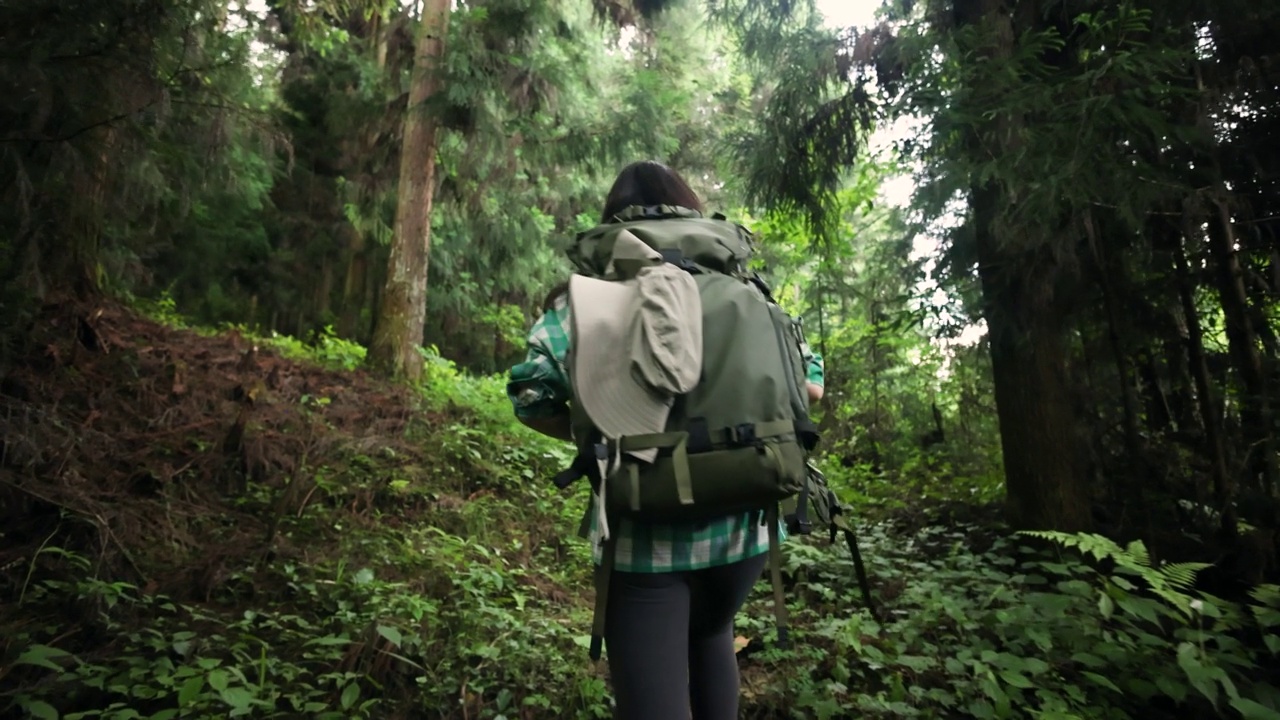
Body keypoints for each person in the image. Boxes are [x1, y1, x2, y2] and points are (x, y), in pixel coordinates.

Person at [506, 160, 824, 720]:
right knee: (712, 637)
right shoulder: (746, 289)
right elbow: (809, 386)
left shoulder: (583, 299)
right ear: (693, 212)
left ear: (610, 223)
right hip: (744, 524)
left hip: (642, 532)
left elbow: (529, 397)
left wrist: (594, 430)